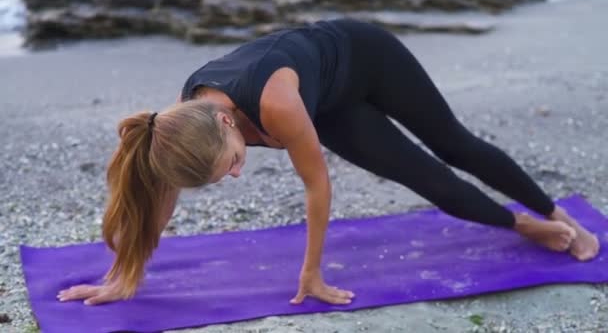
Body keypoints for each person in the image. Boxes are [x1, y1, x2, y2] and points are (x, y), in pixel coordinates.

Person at [57, 19, 599, 306]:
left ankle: (556, 211)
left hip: (364, 56)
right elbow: (158, 194)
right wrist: (124, 274)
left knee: (453, 145)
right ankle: (523, 224)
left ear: (227, 122)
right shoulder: (177, 131)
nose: (241, 172)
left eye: (237, 161)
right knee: (421, 176)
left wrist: (311, 272)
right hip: (328, 103)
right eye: (229, 174)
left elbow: (317, 189)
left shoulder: (275, 104)